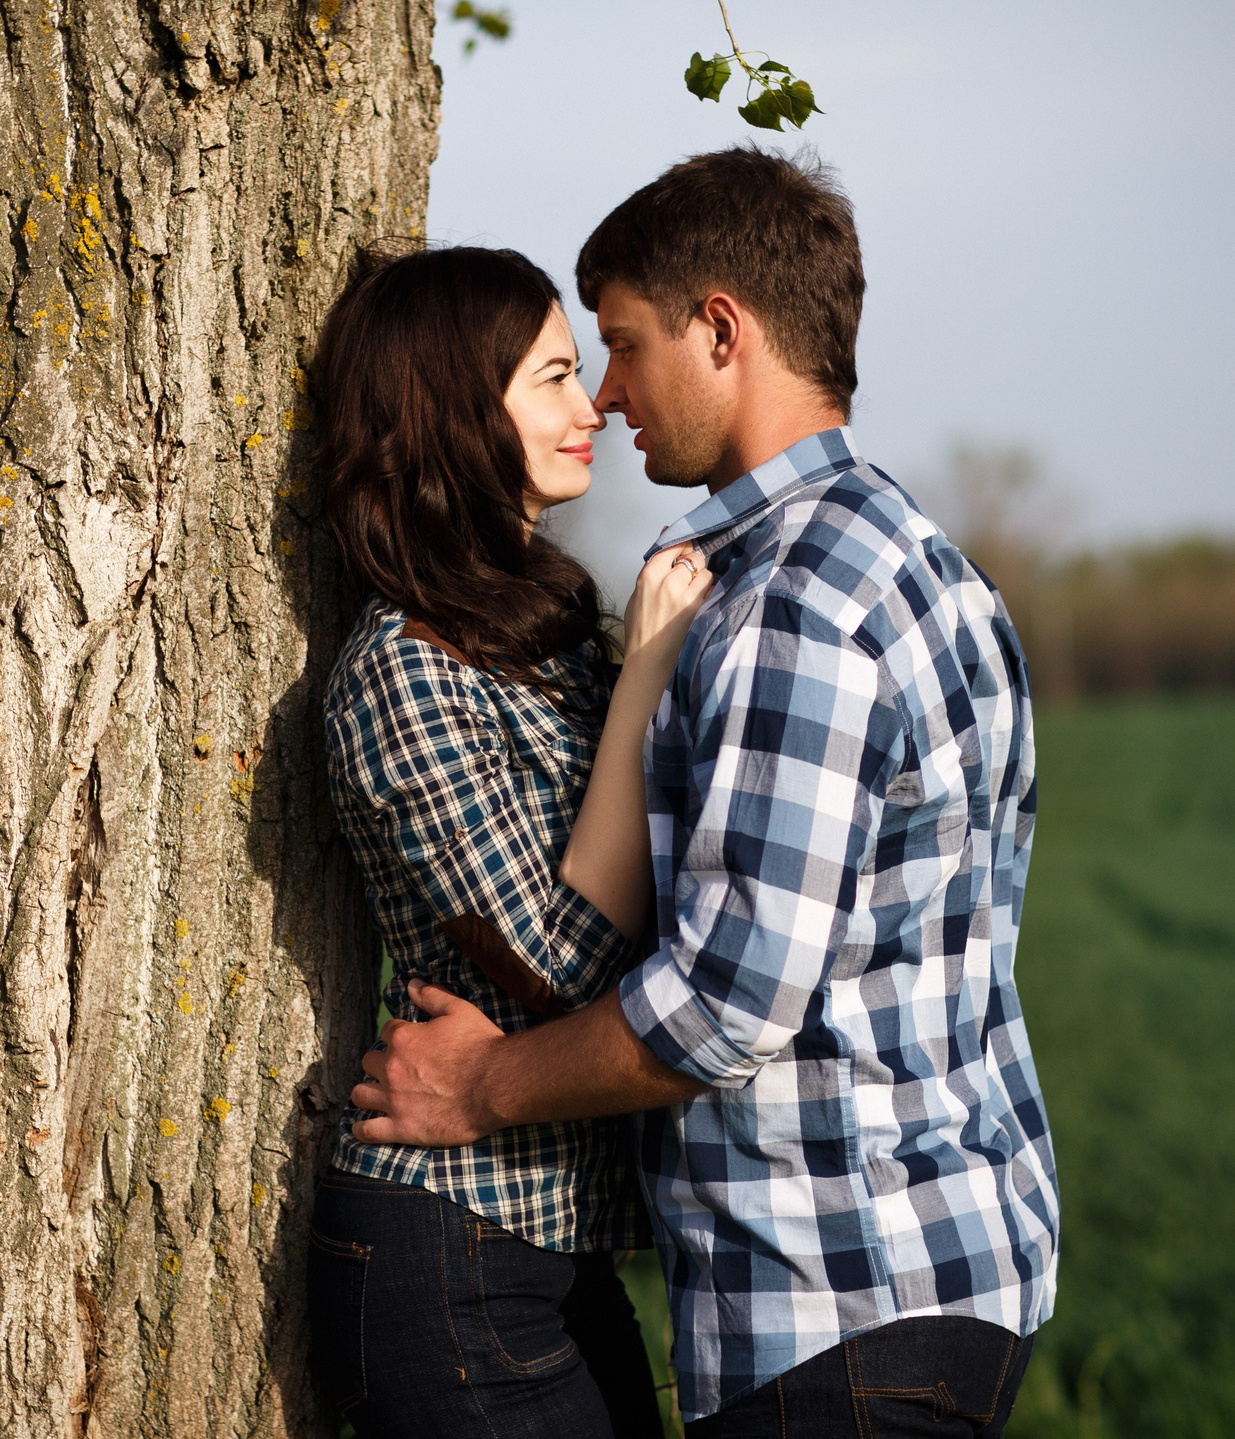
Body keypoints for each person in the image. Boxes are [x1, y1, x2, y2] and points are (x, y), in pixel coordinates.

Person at [350, 148, 1062, 1439]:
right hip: (937, 1266)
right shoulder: (920, 561)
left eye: (618, 345)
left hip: (834, 1291)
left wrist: (482, 1084)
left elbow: (726, 1001)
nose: (612, 394)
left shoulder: (790, 603)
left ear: (721, 329)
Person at [309, 244, 716, 1439]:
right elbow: (554, 969)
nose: (590, 402)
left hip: (555, 1240)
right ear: (451, 406)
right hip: (450, 1241)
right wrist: (644, 679)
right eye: (549, 375)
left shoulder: (550, 635)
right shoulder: (403, 668)